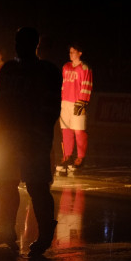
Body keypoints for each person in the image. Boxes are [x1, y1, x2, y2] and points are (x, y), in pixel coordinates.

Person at [0, 26, 62, 256]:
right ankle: (7, 231)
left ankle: (45, 232)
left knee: (37, 185)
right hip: (7, 139)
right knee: (5, 183)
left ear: (34, 45)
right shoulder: (9, 69)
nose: (18, 47)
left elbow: (51, 108)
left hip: (33, 140)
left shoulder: (47, 71)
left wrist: (38, 136)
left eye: (23, 42)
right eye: (17, 42)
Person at [56, 42, 93, 175]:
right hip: (65, 102)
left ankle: (80, 158)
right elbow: (63, 85)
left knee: (79, 131)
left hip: (77, 103)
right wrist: (60, 99)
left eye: (73, 52)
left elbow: (87, 85)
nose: (70, 54)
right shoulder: (65, 67)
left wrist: (83, 101)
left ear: (80, 53)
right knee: (66, 130)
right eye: (70, 52)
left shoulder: (85, 68)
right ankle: (67, 156)